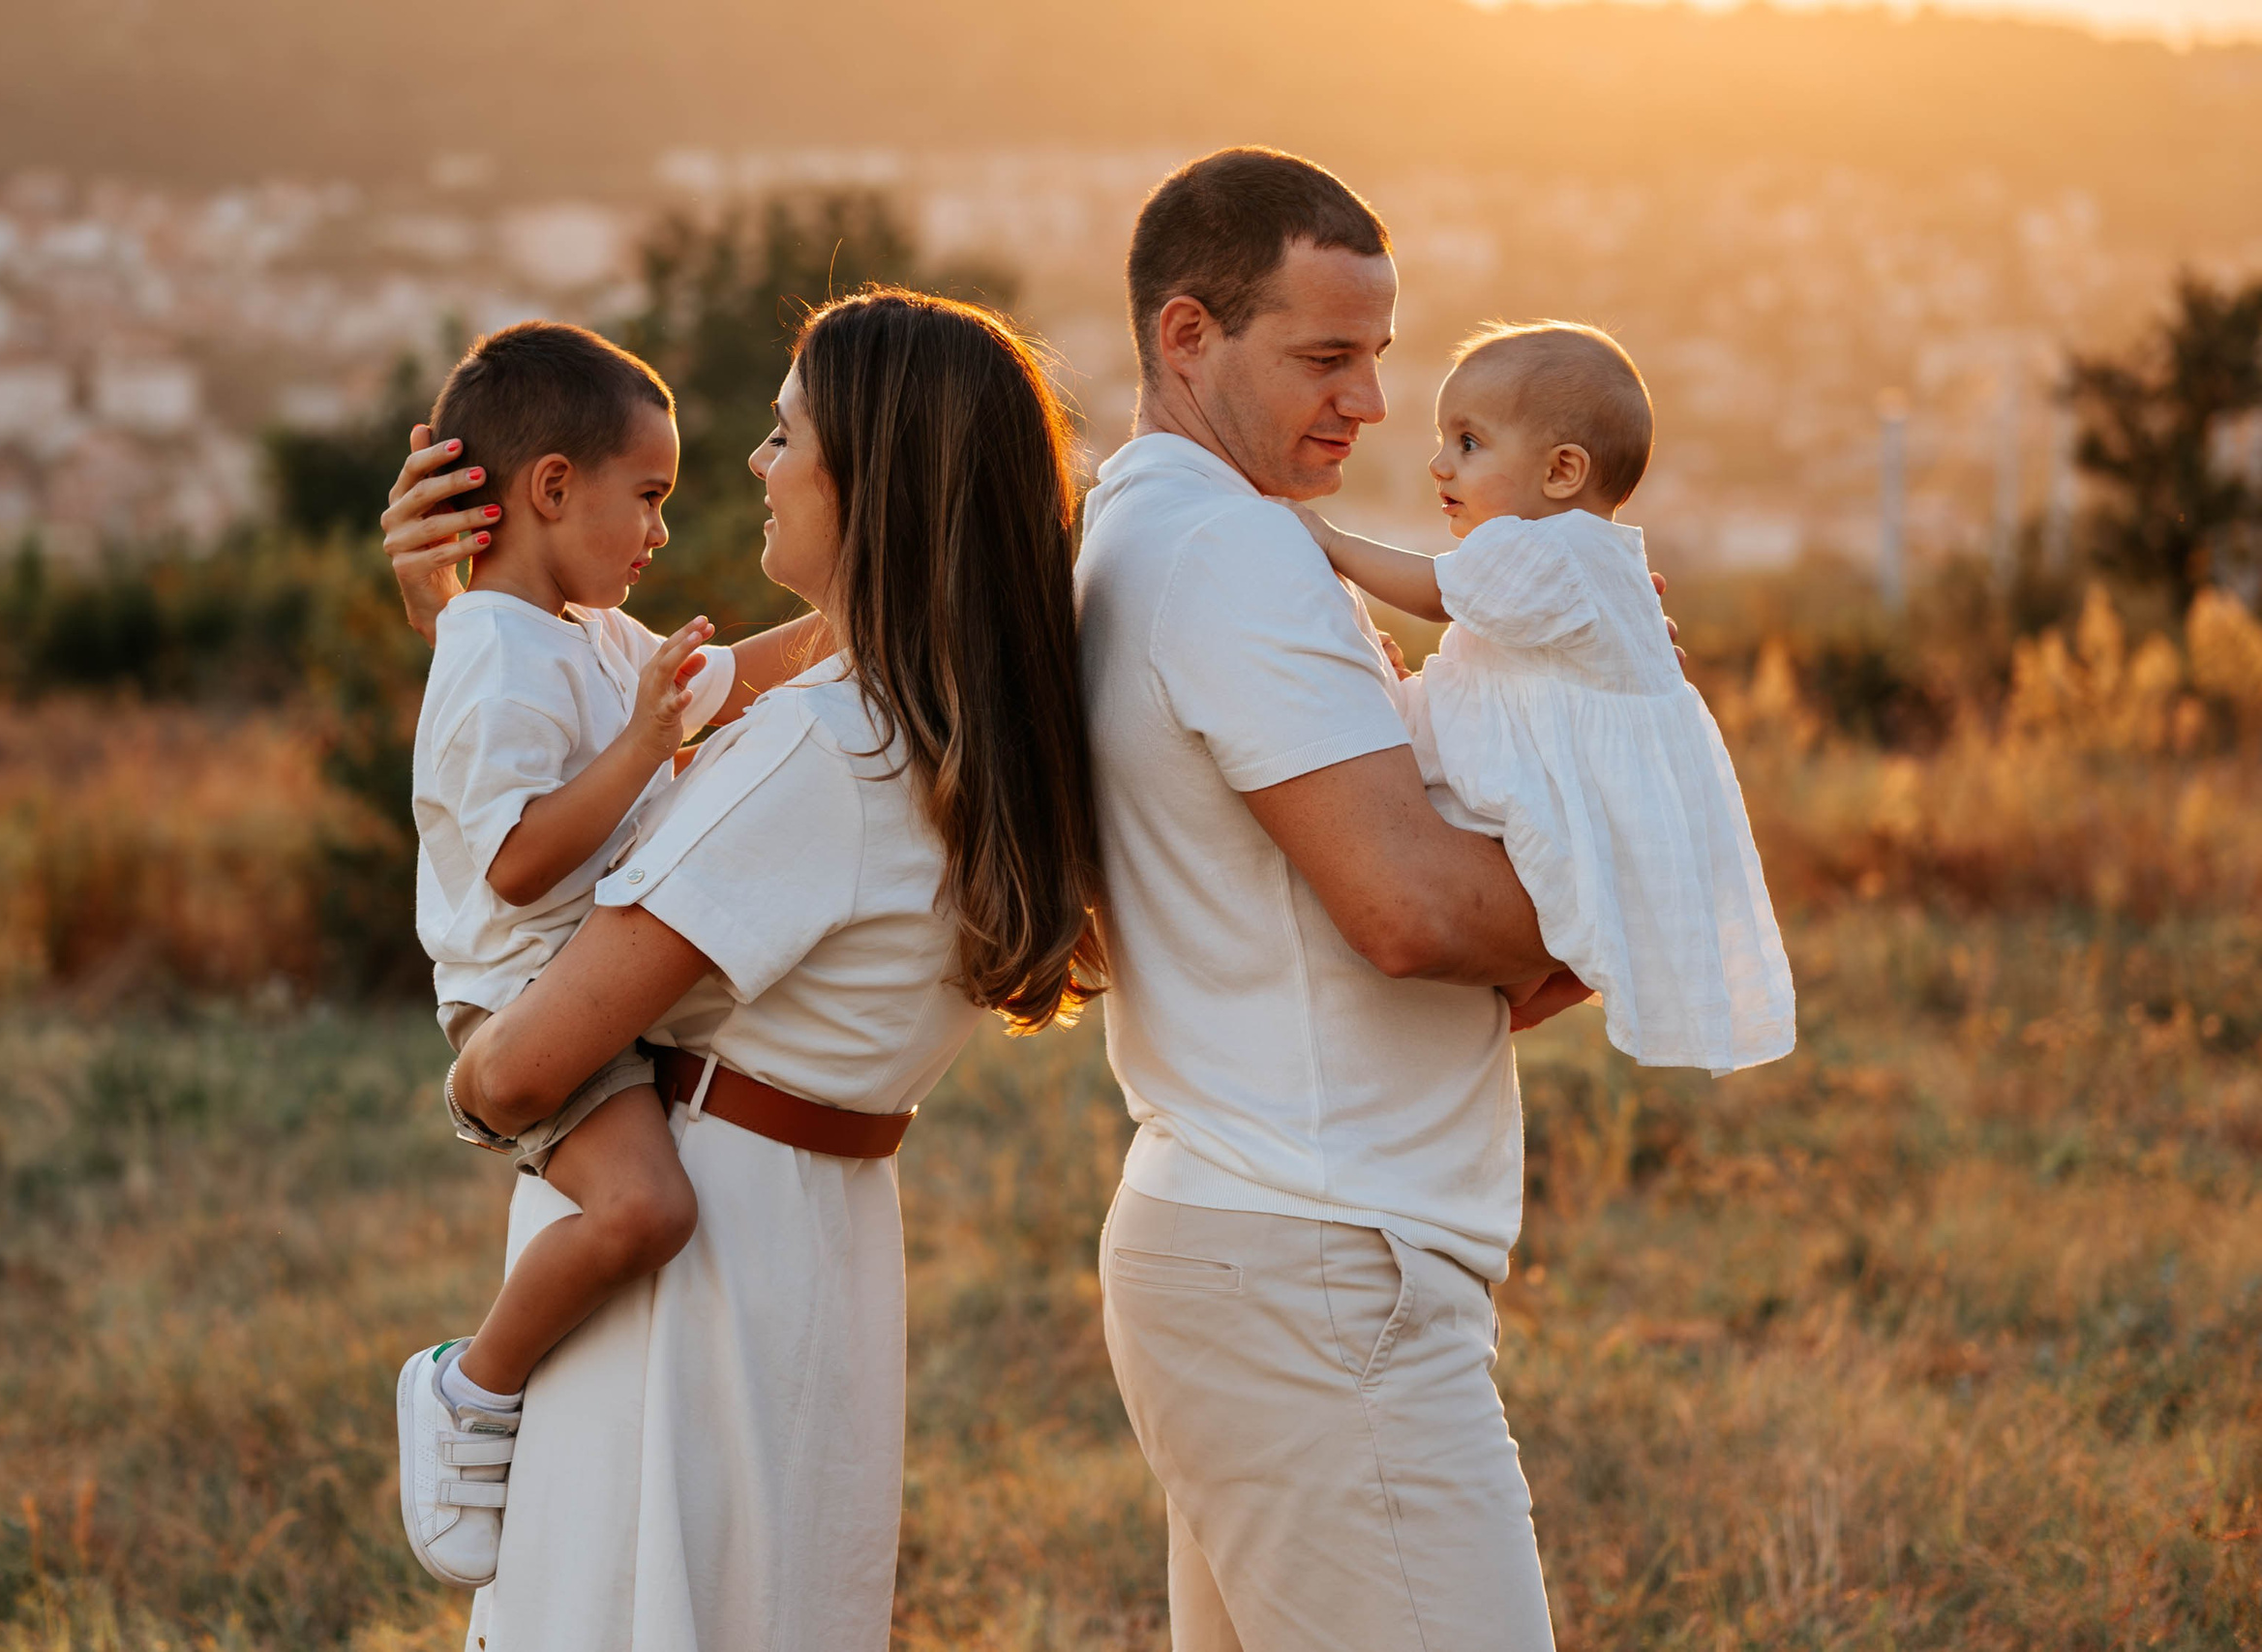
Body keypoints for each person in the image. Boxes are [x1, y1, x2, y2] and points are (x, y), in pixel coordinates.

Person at [381, 286, 1103, 1650]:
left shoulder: (824, 748)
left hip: (691, 1251)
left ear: (870, 476)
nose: (758, 469)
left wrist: (481, 1086)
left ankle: (457, 1388)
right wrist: (492, 627)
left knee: (629, 1601)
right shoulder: (952, 727)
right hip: (814, 1234)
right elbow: (670, 707)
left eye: (786, 437)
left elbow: (530, 1051)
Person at [1078, 146, 1670, 1652]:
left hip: (1267, 1243)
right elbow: (1407, 908)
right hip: (1312, 1267)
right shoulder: (1226, 548)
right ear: (1187, 336)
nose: (1370, 403)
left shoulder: (1169, 526)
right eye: (1325, 356)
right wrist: (1633, 872)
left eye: (1379, 357)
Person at [394, 321, 730, 1589]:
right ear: (550, 487)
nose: (657, 533)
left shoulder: (591, 631)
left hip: (590, 991)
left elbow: (719, 684)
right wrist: (645, 749)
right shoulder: (489, 649)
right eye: (646, 498)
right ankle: (466, 1387)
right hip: (521, 1003)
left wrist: (857, 629)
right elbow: (519, 860)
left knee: (656, 1207)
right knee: (646, 1207)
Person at [1288, 320, 1795, 1075]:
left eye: (1468, 443)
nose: (1438, 464)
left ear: (1561, 471)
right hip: (1604, 783)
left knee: (1483, 843)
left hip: (1550, 780)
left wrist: (1327, 541)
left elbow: (1435, 593)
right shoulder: (1599, 552)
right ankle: (1516, 985)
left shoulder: (1540, 547)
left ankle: (1503, 981)